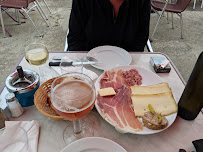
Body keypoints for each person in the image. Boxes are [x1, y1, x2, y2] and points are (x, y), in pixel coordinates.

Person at [67, 0, 151, 52]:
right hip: (89, 65)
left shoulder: (142, 2)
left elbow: (141, 38)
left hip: (127, 67)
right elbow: (75, 39)